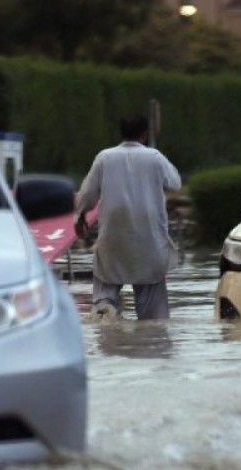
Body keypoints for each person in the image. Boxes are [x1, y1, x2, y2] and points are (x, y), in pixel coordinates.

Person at [74, 113, 182, 320]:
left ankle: (107, 317)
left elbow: (87, 195)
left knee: (104, 298)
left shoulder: (104, 157)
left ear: (121, 133)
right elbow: (175, 183)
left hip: (112, 240)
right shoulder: (155, 157)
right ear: (144, 134)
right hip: (149, 240)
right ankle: (149, 343)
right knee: (154, 317)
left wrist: (80, 217)